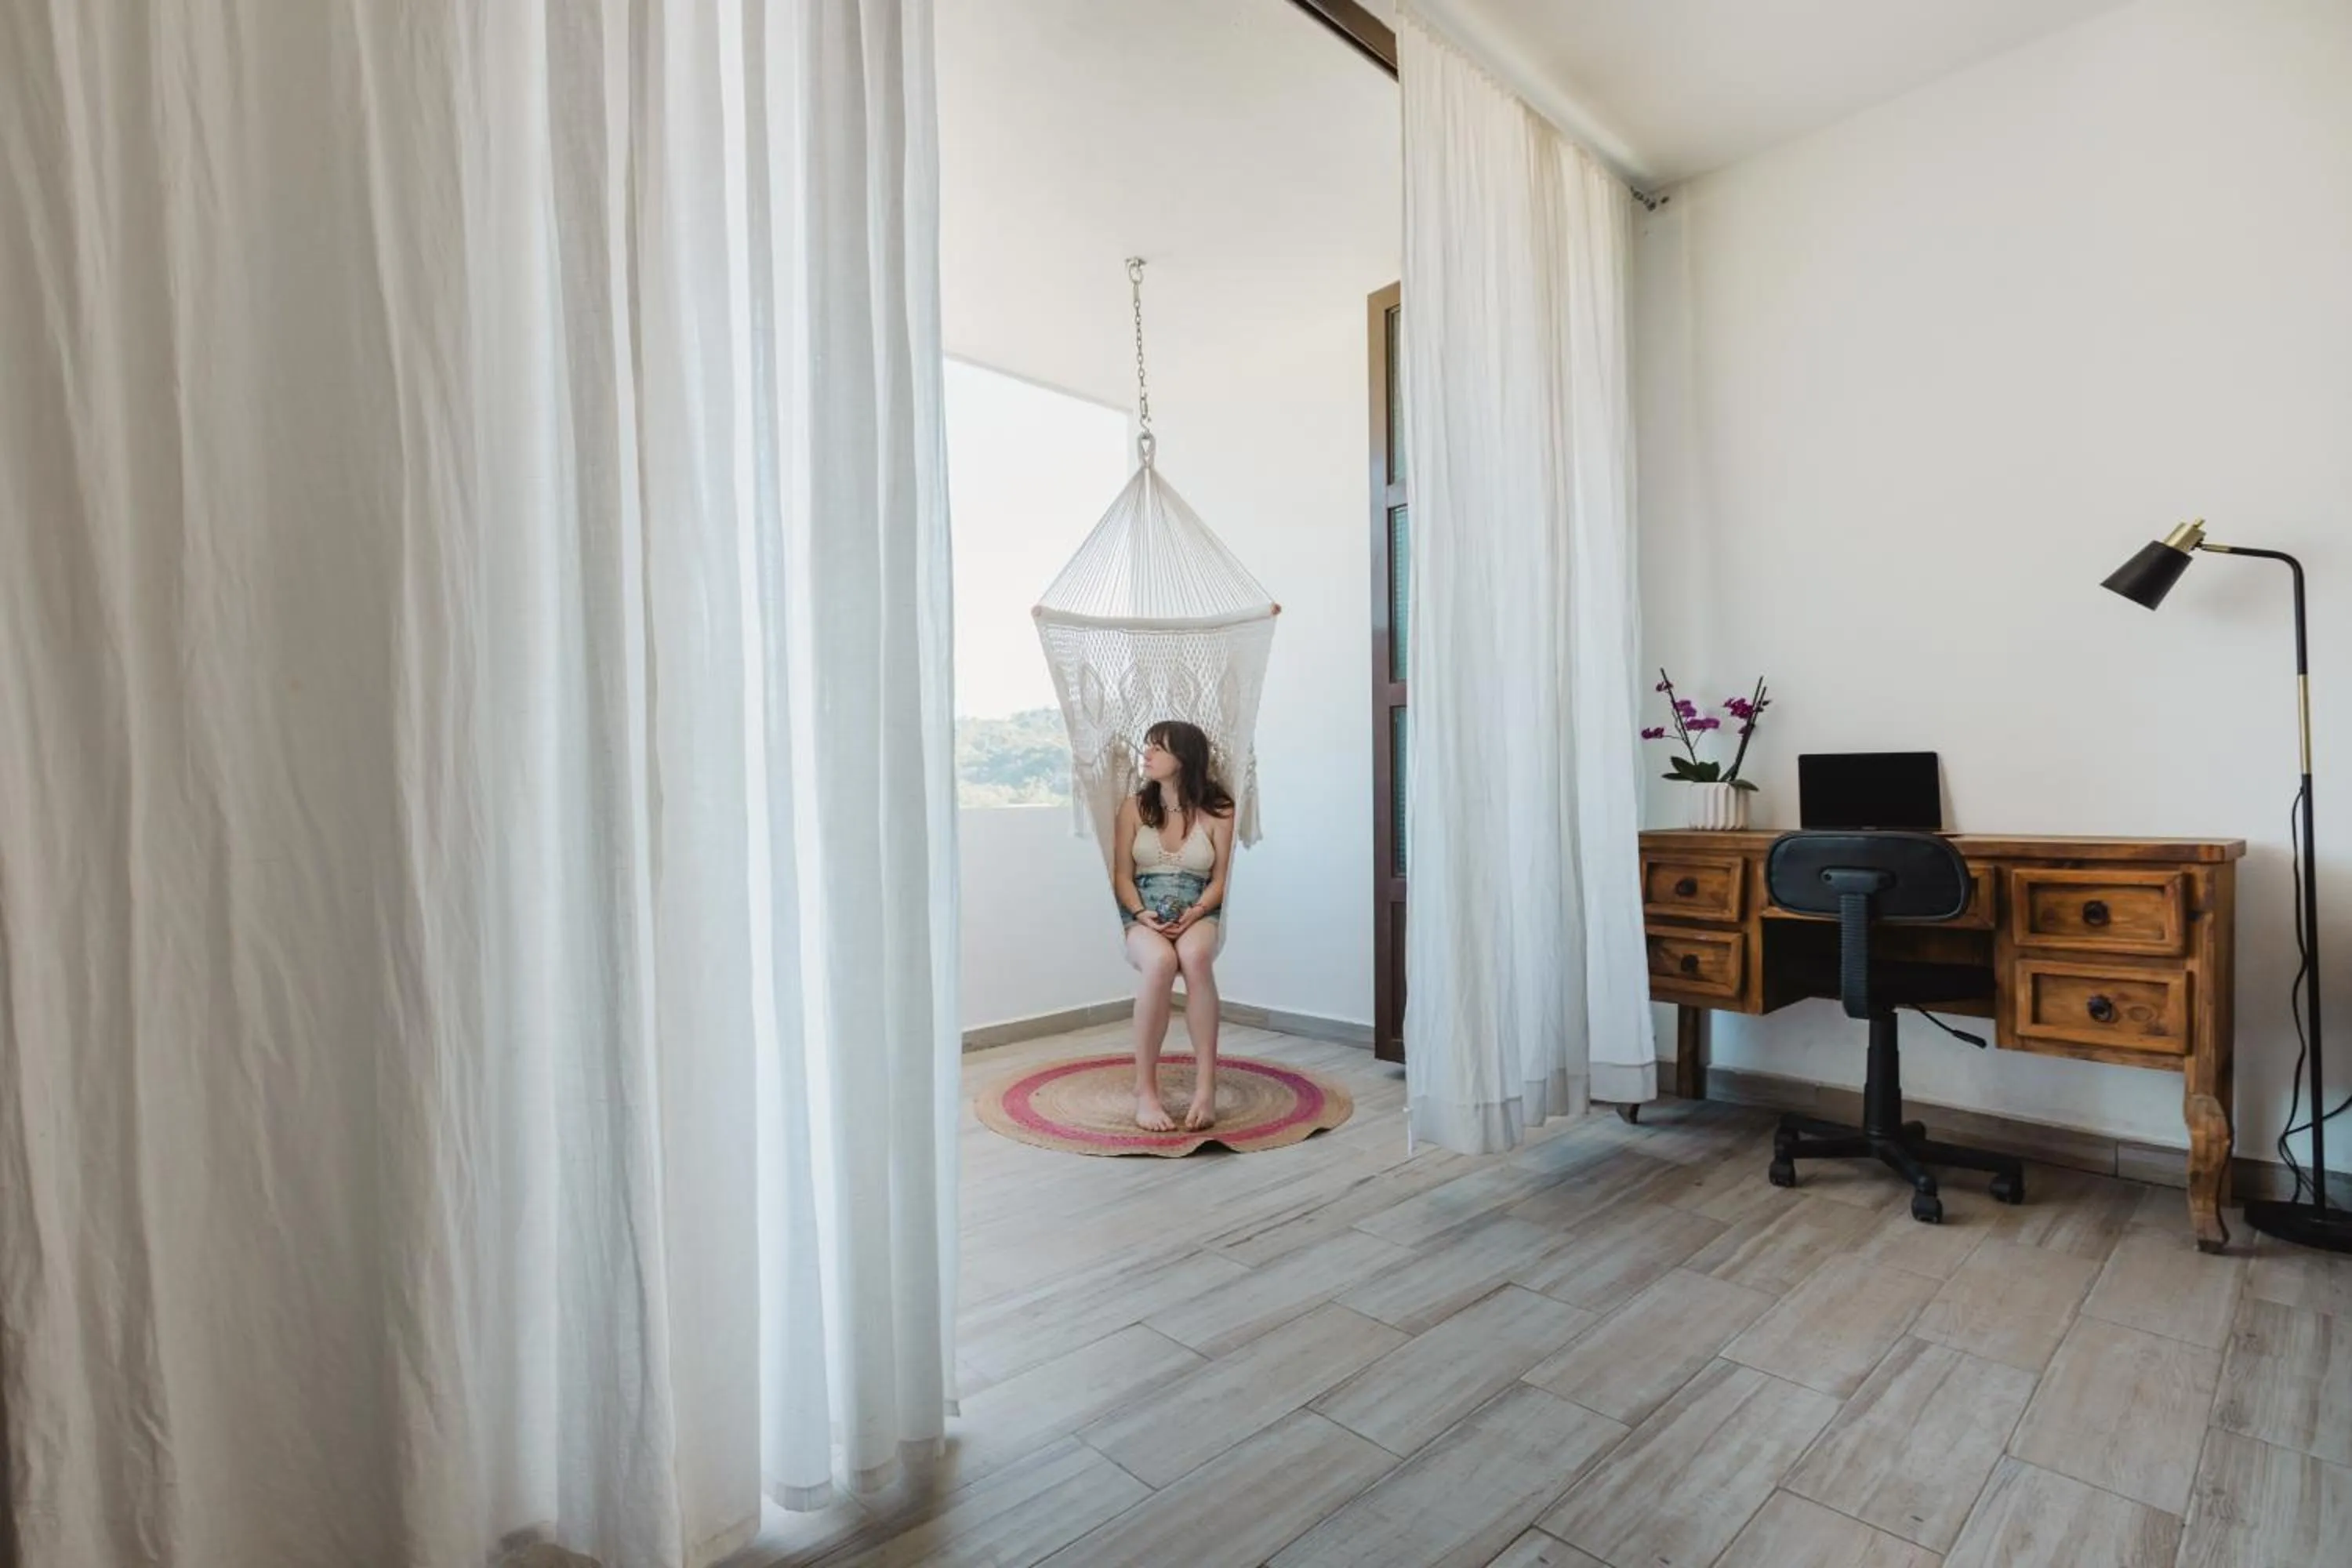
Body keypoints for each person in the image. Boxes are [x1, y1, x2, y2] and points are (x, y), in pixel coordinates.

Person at [1112, 720, 1236, 1132]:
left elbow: (1221, 880)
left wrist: (1198, 911)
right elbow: (1123, 876)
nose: (1146, 755)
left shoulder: (1220, 810)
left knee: (1196, 957)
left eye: (1157, 748)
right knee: (1161, 964)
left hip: (1199, 907)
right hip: (1142, 910)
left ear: (1184, 759)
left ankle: (1206, 1088)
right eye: (1146, 746)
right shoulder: (1133, 808)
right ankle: (1145, 1090)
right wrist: (1141, 912)